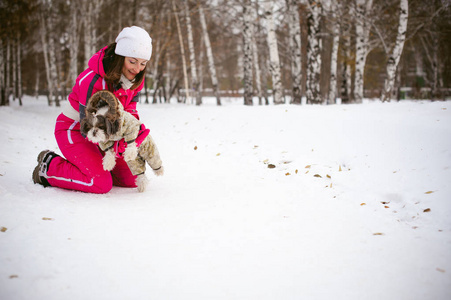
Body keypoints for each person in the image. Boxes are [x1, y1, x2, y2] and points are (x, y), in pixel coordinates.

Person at [32, 26, 153, 194]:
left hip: (109, 131)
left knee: (132, 178)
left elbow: (130, 109)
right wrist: (116, 142)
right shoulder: (92, 80)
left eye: (143, 63)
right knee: (100, 183)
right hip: (75, 129)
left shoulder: (135, 79)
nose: (137, 68)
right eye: (132, 61)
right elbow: (89, 127)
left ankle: (96, 167)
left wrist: (133, 135)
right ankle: (49, 166)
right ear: (120, 56)